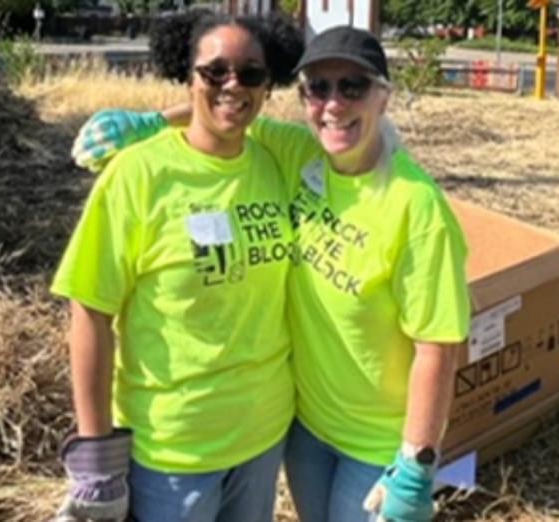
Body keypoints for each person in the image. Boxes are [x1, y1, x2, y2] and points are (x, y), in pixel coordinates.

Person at [74, 26, 471, 522]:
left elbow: (439, 344)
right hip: (273, 434)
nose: (334, 103)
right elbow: (229, 112)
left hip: (350, 442)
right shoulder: (295, 156)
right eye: (318, 88)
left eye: (353, 87)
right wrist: (150, 124)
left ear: (383, 97)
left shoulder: (407, 202)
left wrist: (417, 461)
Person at [51, 10, 303, 522]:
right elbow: (90, 313)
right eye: (214, 71)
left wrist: (158, 116)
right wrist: (95, 458)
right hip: (172, 451)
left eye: (251, 73)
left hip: (263, 434)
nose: (233, 84)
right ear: (186, 75)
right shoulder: (138, 175)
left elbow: (351, 132)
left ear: (268, 84)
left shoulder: (276, 159)